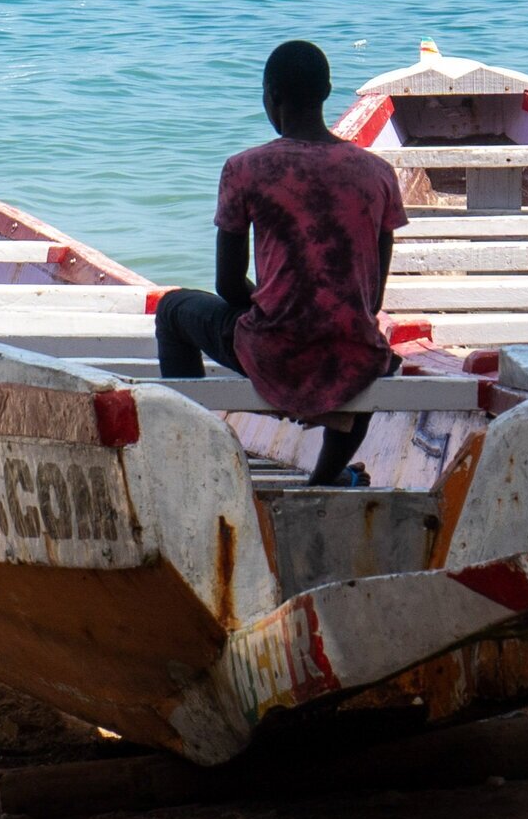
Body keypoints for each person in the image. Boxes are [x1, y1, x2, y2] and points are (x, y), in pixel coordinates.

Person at [154, 40, 408, 485]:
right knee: (372, 351)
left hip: (273, 352)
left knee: (173, 310)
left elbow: (228, 285)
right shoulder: (377, 173)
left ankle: (194, 461)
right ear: (327, 91)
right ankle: (326, 476)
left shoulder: (246, 168)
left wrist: (273, 309)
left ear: (270, 97)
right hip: (351, 354)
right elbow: (372, 297)